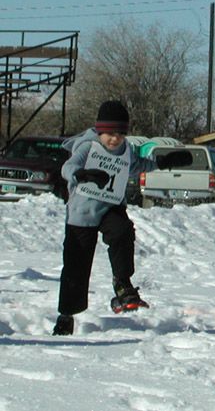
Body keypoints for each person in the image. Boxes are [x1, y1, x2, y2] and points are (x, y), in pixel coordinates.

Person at [52, 101, 192, 336]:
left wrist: (164, 162)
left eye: (120, 134)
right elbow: (68, 167)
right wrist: (81, 174)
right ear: (99, 130)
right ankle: (66, 314)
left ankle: (122, 284)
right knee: (76, 265)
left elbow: (136, 166)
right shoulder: (88, 147)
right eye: (109, 134)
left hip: (109, 206)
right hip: (82, 213)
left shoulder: (125, 149)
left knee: (123, 231)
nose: (114, 140)